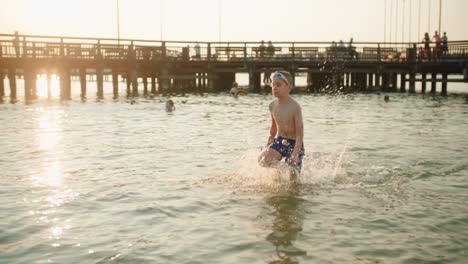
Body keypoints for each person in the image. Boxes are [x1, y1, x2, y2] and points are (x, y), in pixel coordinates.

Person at [257, 71, 305, 181]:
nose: (274, 87)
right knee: (262, 160)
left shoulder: (295, 107)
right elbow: (274, 127)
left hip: (295, 143)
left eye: (278, 85)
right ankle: (281, 169)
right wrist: (269, 142)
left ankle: (287, 169)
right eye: (273, 84)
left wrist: (295, 153)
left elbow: (300, 133)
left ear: (288, 87)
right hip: (280, 140)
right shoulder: (272, 106)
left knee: (293, 181)